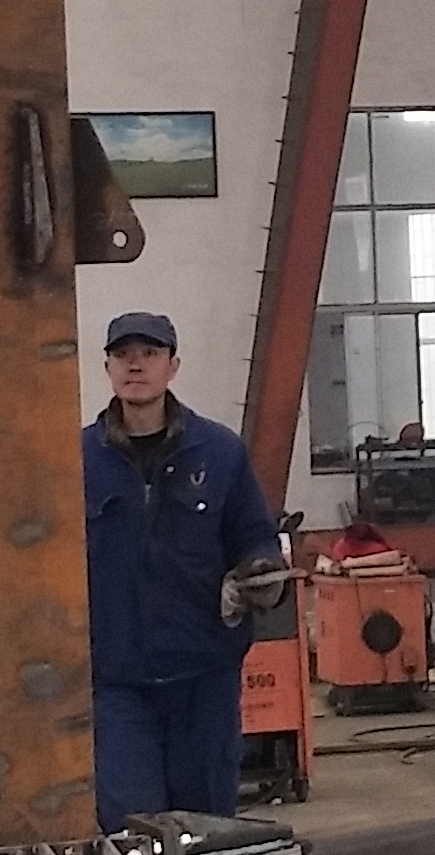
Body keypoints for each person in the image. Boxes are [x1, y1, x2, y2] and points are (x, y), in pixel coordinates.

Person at [80, 311, 289, 826]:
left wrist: (260, 571)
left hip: (204, 676)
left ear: (172, 367)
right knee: (131, 828)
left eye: (149, 354)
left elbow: (255, 536)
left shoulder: (219, 452)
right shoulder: (77, 459)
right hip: (116, 680)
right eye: (123, 355)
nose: (135, 365)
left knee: (207, 827)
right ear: (107, 368)